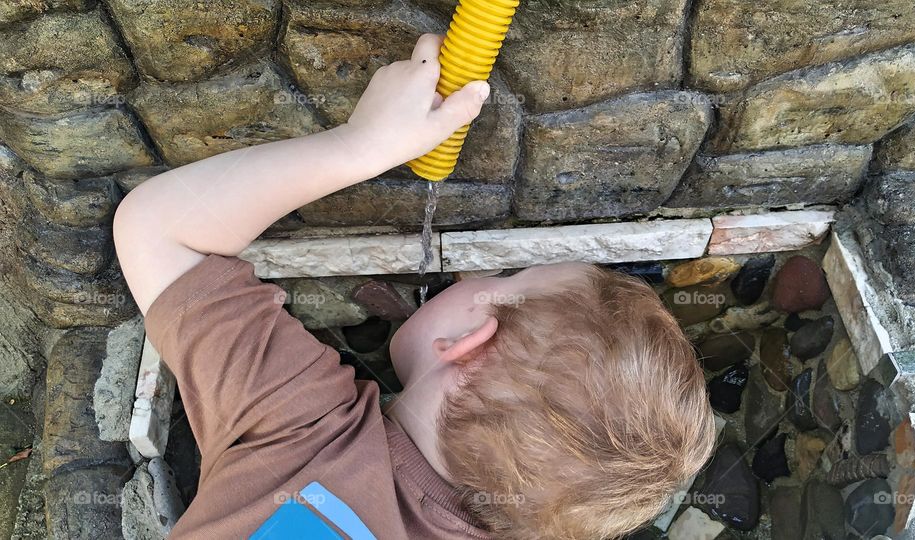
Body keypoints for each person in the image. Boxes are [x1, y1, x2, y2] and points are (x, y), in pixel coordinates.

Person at [114, 34, 716, 540]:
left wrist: (357, 147)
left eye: (507, 278)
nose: (485, 275)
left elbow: (159, 229)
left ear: (469, 345)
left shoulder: (304, 430)